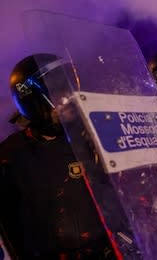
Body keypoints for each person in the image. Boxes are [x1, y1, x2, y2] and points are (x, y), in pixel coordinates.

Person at [0, 54, 114, 259]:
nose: (67, 99)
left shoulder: (91, 135)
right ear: (31, 101)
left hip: (111, 251)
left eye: (68, 88)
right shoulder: (12, 156)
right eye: (55, 91)